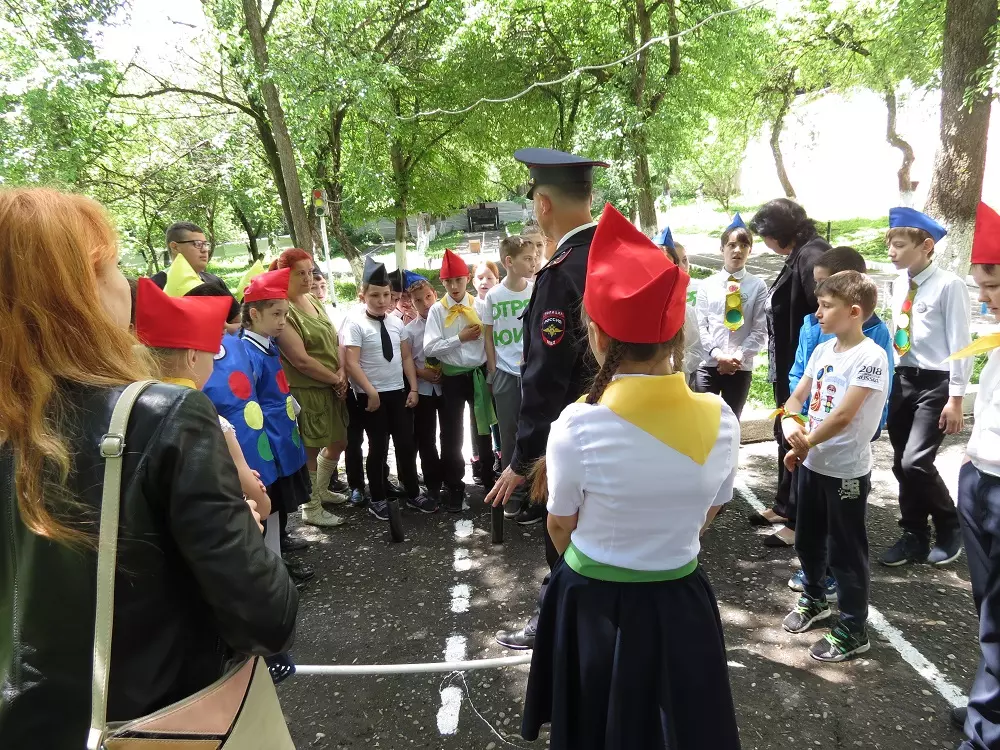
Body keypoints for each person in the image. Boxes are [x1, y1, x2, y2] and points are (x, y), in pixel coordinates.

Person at [0, 188, 296, 747]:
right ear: (80, 291)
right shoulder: (161, 414)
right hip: (153, 724)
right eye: (114, 268)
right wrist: (243, 528)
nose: (129, 286)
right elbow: (266, 617)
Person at [520, 204, 740, 750]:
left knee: (595, 730)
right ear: (676, 338)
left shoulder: (577, 424)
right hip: (681, 601)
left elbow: (560, 528)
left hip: (594, 606)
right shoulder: (722, 419)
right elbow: (709, 514)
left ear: (596, 336)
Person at [488, 147, 608, 651]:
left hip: (576, 433)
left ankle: (560, 622)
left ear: (542, 204)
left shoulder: (561, 272)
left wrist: (522, 458)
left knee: (565, 531)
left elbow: (545, 378)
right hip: (630, 419)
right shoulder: (617, 252)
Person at [779, 270, 889, 662]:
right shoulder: (823, 350)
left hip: (845, 472)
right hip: (813, 464)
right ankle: (814, 598)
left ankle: (854, 628)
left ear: (854, 312)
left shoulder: (871, 357)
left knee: (845, 551)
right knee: (807, 540)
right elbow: (796, 399)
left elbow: (843, 416)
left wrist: (804, 442)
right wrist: (790, 424)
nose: (818, 313)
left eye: (827, 306)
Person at [880, 207, 971, 567]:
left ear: (926, 246)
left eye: (900, 245)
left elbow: (961, 343)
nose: (892, 252)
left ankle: (950, 523)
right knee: (901, 464)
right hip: (903, 379)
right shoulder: (898, 283)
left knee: (916, 461)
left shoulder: (949, 285)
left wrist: (956, 397)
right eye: (890, 245)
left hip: (936, 383)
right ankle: (914, 534)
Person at [749, 198, 831, 547]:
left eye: (765, 236)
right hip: (790, 364)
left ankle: (799, 520)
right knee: (784, 431)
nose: (765, 243)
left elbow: (825, 315)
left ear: (779, 232)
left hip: (806, 369)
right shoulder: (800, 254)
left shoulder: (813, 256)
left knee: (798, 435)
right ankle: (785, 505)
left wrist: (810, 371)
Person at [951, 202, 1000, 749]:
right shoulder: (997, 336)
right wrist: (970, 462)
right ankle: (991, 702)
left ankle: (985, 729)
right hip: (981, 479)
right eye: (980, 286)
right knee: (988, 607)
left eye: (992, 286)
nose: (984, 298)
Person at [343, 257, 434, 519]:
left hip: (398, 393)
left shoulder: (396, 324)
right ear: (363, 296)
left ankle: (413, 492)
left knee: (405, 444)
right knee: (378, 447)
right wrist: (370, 391)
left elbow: (406, 357)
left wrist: (413, 388)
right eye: (375, 295)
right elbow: (351, 362)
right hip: (371, 396)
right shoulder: (356, 324)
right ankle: (377, 497)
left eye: (385, 295)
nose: (382, 300)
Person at [240, 268, 315, 582]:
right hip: (268, 438)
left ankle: (280, 543)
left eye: (285, 314)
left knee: (281, 500)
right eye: (276, 314)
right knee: (270, 502)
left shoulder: (267, 344)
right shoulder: (248, 352)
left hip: (281, 435)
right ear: (254, 314)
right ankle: (275, 568)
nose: (283, 321)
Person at [275, 248, 350, 528]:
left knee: (339, 441)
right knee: (311, 446)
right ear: (285, 275)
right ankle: (311, 507)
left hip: (332, 384)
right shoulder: (285, 309)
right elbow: (300, 360)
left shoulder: (311, 299)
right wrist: (335, 379)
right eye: (300, 274)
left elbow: (334, 338)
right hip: (308, 389)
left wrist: (341, 372)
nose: (308, 279)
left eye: (310, 272)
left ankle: (319, 490)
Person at [425, 249, 498, 511]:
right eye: (448, 282)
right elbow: (430, 348)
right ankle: (454, 485)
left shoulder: (481, 306)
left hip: (478, 375)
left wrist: (491, 374)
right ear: (442, 283)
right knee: (451, 432)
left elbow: (491, 342)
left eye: (458, 280)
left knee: (483, 429)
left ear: (467, 278)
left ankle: (488, 479)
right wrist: (459, 339)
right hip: (453, 378)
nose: (454, 286)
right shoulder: (437, 311)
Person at [484, 236, 538, 522]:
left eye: (534, 257)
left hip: (532, 371)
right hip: (505, 373)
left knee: (536, 430)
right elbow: (488, 335)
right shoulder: (493, 296)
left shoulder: (535, 290)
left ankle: (536, 492)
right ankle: (511, 495)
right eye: (527, 258)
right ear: (509, 262)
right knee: (508, 435)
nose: (533, 263)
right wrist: (493, 370)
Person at [695, 213, 767, 418]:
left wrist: (737, 357)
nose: (738, 250)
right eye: (732, 245)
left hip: (740, 366)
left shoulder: (758, 286)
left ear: (750, 250)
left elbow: (760, 329)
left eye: (744, 245)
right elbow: (701, 325)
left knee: (731, 422)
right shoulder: (707, 285)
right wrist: (718, 355)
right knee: (704, 421)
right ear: (722, 249)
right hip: (709, 364)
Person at [150, 221, 241, 328]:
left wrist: (223, 328)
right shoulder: (154, 287)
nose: (205, 250)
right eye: (197, 244)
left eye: (205, 244)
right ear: (175, 247)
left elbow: (238, 323)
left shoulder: (214, 281)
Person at [405, 271, 445, 506]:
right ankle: (433, 485)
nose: (425, 303)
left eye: (428, 297)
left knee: (449, 435)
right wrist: (422, 373)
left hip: (446, 387)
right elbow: (407, 361)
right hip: (423, 389)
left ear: (435, 295)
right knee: (426, 438)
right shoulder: (410, 331)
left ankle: (451, 478)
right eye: (418, 300)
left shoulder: (447, 322)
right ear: (411, 303)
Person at [657, 226, 706, 379]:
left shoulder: (687, 310)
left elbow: (696, 349)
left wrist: (675, 367)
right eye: (675, 263)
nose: (683, 268)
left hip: (679, 380)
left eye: (685, 260)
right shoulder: (642, 309)